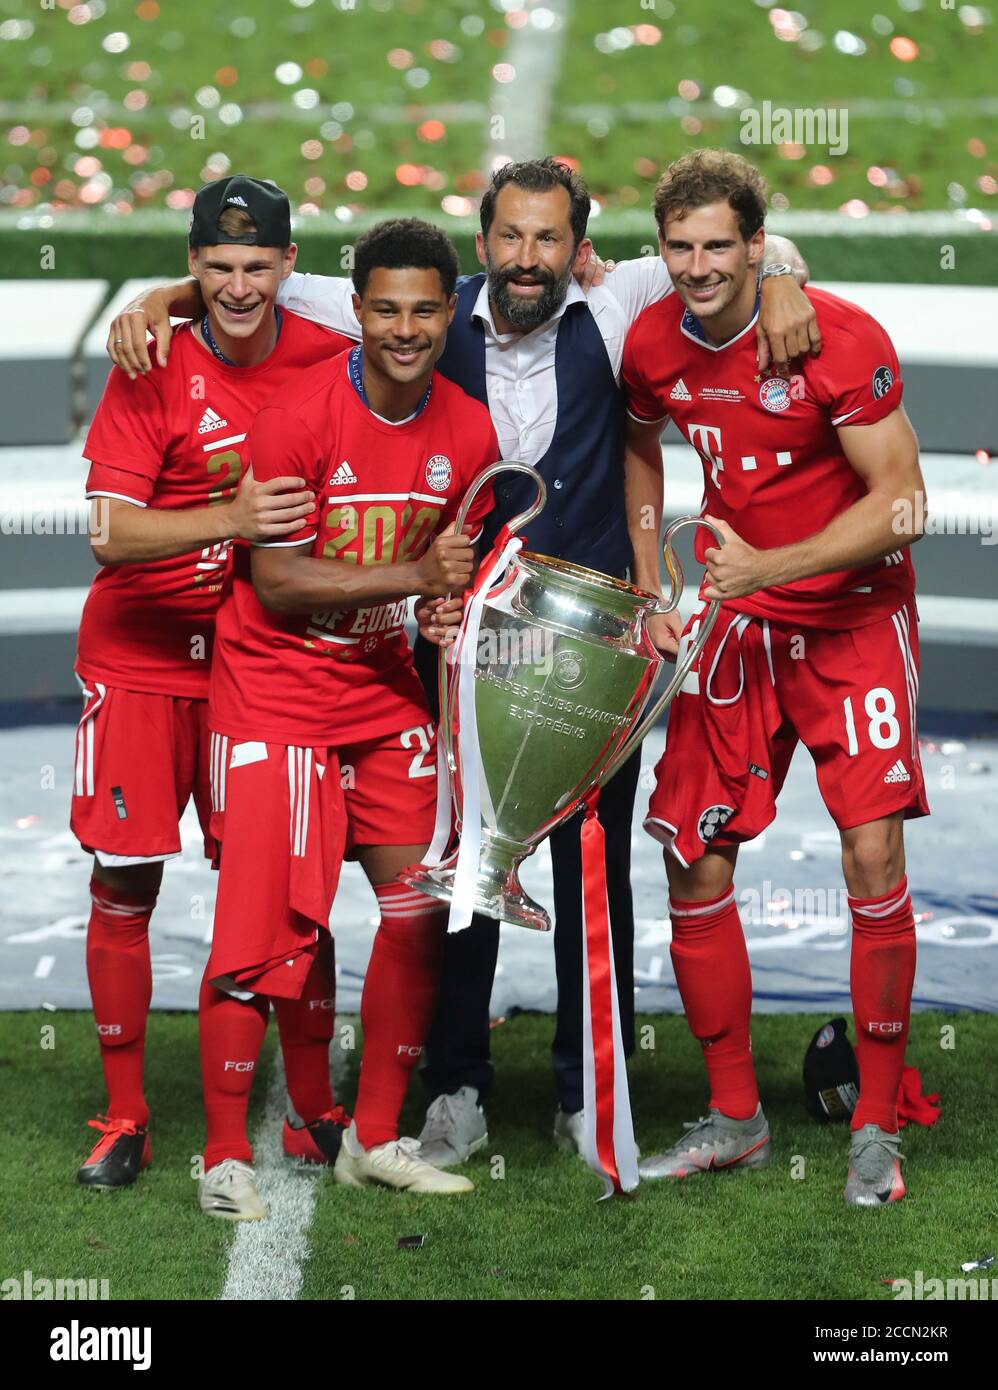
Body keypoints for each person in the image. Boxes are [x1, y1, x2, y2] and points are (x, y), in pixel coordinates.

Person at [107, 155, 818, 1166]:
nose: (526, 261)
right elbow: (258, 280)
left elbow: (735, 254)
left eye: (547, 240)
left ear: (578, 246)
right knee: (463, 861)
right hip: (461, 639)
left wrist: (783, 270)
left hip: (588, 643)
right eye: (509, 238)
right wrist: (161, 294)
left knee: (587, 861)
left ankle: (586, 1087)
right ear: (481, 241)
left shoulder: (612, 299)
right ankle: (455, 1084)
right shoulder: (424, 303)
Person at [622, 149, 927, 1206]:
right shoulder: (652, 336)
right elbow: (634, 438)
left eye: (719, 245)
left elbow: (901, 504)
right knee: (688, 852)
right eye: (679, 247)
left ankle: (876, 1125)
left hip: (849, 620)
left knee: (869, 849)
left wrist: (764, 567)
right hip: (735, 620)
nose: (698, 266)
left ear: (757, 245)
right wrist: (645, 571)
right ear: (658, 251)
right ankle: (734, 1115)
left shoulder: (834, 338)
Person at [198, 217, 499, 1217]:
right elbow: (277, 579)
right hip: (272, 688)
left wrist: (439, 603)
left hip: (378, 688)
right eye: (384, 308)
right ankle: (222, 1152)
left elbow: (442, 581)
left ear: (450, 313)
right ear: (356, 308)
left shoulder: (469, 431)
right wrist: (416, 574)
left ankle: (372, 1137)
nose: (404, 328)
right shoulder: (293, 417)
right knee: (263, 930)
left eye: (424, 309)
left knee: (416, 911)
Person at [72, 174, 354, 1189]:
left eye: (256, 266)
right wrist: (229, 520)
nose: (238, 286)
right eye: (217, 268)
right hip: (141, 660)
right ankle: (124, 1111)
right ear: (193, 266)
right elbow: (108, 535)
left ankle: (312, 1104)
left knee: (285, 884)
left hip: (261, 665)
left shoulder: (336, 352)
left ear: (288, 267)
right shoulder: (152, 364)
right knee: (124, 880)